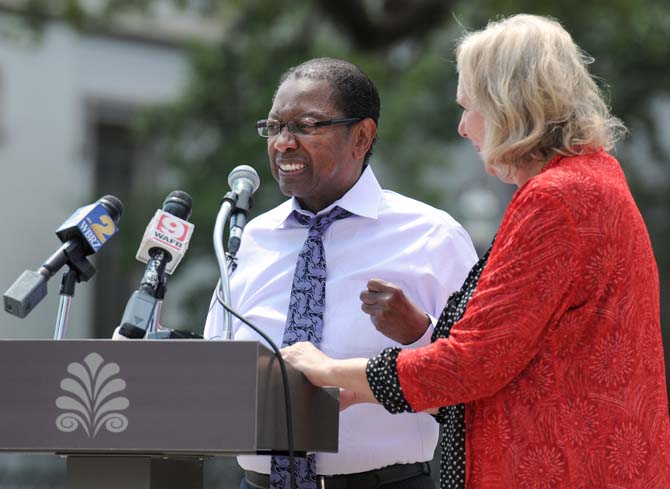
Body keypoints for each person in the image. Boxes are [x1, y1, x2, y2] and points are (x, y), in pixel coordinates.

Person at [281, 15, 670, 489]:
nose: (464, 127)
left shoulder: (557, 198)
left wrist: (328, 371)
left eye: (469, 106)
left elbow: (473, 363)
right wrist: (366, 385)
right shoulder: (592, 179)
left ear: (510, 105)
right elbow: (517, 354)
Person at [204, 57, 478, 489]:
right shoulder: (249, 239)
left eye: (306, 125)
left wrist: (418, 335)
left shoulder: (432, 236)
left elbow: (476, 384)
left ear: (362, 136)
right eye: (274, 127)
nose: (283, 143)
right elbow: (212, 368)